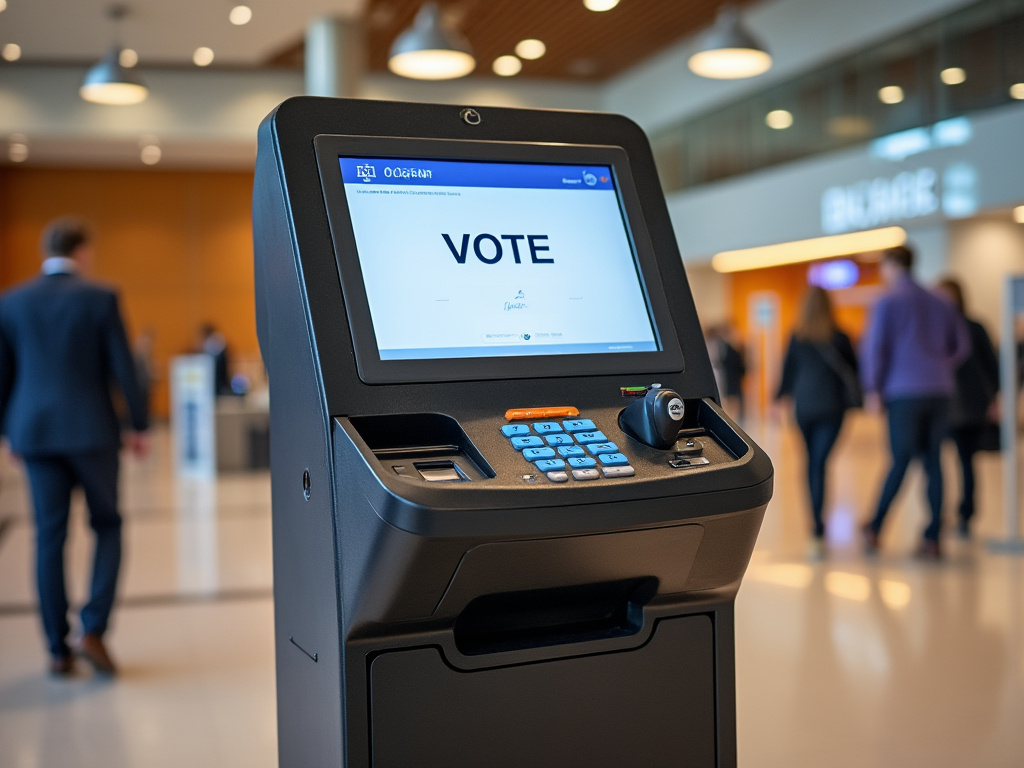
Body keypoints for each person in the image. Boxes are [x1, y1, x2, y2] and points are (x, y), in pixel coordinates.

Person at [0, 217, 149, 676]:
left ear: (47, 252)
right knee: (107, 524)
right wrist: (139, 425)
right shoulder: (100, 297)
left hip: (35, 432)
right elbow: (124, 368)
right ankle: (93, 629)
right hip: (92, 431)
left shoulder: (12, 301)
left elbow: (4, 374)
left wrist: (8, 432)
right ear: (82, 252)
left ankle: (56, 650)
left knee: (50, 536)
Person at [860, 245, 969, 559]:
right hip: (939, 391)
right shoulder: (941, 301)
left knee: (899, 460)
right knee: (934, 463)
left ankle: (875, 528)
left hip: (903, 392)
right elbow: (961, 346)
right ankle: (933, 538)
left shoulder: (887, 301)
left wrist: (873, 388)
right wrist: (939, 366)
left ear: (893, 265)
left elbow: (876, 349)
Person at [776, 286, 859, 559]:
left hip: (806, 408)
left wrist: (779, 401)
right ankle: (817, 529)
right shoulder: (841, 337)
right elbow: (855, 373)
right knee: (820, 463)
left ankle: (816, 529)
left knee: (812, 463)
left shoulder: (797, 337)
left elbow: (787, 374)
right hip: (833, 409)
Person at [934, 277, 1000, 539]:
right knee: (933, 462)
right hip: (942, 404)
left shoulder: (973, 328)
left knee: (965, 461)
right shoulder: (935, 329)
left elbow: (992, 366)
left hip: (970, 406)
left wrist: (996, 398)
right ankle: (939, 513)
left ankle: (966, 513)